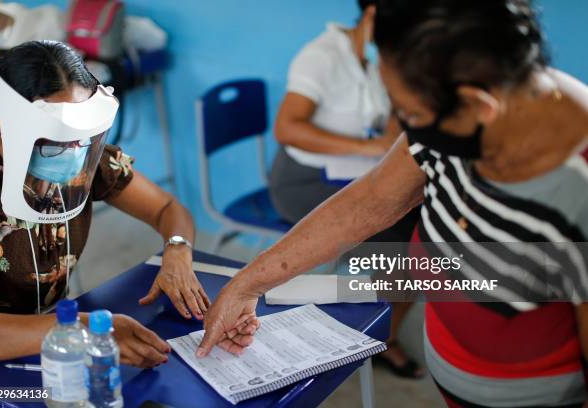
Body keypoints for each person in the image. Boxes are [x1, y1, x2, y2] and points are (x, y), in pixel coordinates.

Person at [198, 1, 588, 406]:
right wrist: (246, 286)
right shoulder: (462, 105)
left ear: (476, 106)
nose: (404, 128)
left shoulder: (577, 186)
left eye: (409, 113)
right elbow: (368, 202)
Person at [0, 41, 210, 369]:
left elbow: (167, 209)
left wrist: (178, 252)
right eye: (54, 137)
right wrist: (84, 330)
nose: (72, 150)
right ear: (2, 119)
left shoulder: (85, 158)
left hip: (56, 330)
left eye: (80, 135)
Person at [269, 0, 422, 377]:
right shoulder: (321, 56)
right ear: (371, 13)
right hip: (303, 179)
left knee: (424, 224)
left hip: (353, 171)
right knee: (400, 236)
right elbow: (287, 128)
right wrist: (369, 149)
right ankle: (364, 334)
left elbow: (389, 126)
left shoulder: (379, 61)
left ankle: (383, 331)